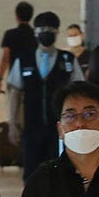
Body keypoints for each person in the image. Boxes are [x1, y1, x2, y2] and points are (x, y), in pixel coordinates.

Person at [6, 11, 84, 182]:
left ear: (57, 32)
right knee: (32, 173)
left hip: (61, 128)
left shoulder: (68, 60)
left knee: (61, 172)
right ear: (35, 32)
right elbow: (15, 93)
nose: (46, 33)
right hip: (32, 127)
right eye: (42, 29)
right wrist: (12, 123)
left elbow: (80, 92)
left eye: (50, 29)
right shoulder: (24, 59)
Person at [0, 1, 36, 95]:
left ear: (16, 16)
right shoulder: (36, 35)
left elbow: (5, 59)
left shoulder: (10, 34)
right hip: (32, 78)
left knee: (13, 108)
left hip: (14, 79)